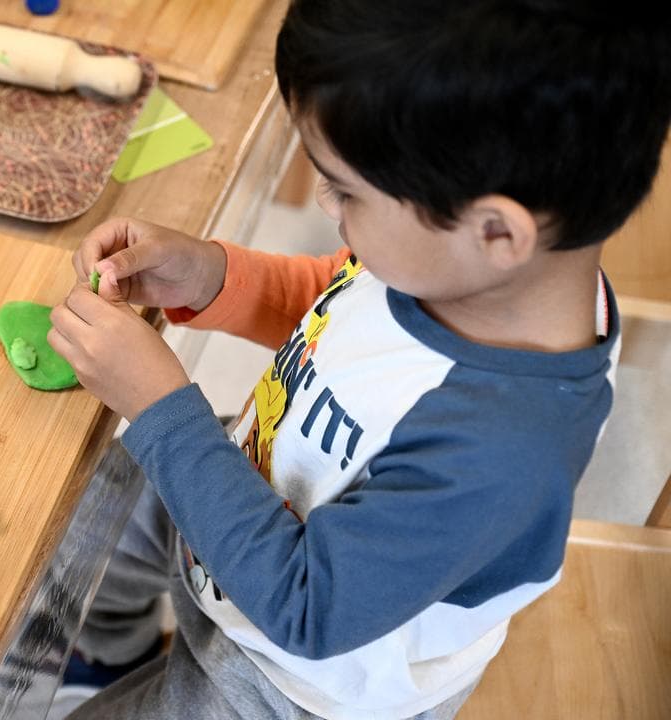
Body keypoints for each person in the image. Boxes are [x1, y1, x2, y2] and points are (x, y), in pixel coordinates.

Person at [46, 1, 671, 718]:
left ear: (496, 230)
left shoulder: (500, 456)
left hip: (285, 684)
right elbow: (346, 302)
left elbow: (310, 606)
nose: (325, 201)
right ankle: (113, 654)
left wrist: (162, 409)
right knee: (105, 499)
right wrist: (215, 276)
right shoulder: (475, 274)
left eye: (346, 190)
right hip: (255, 502)